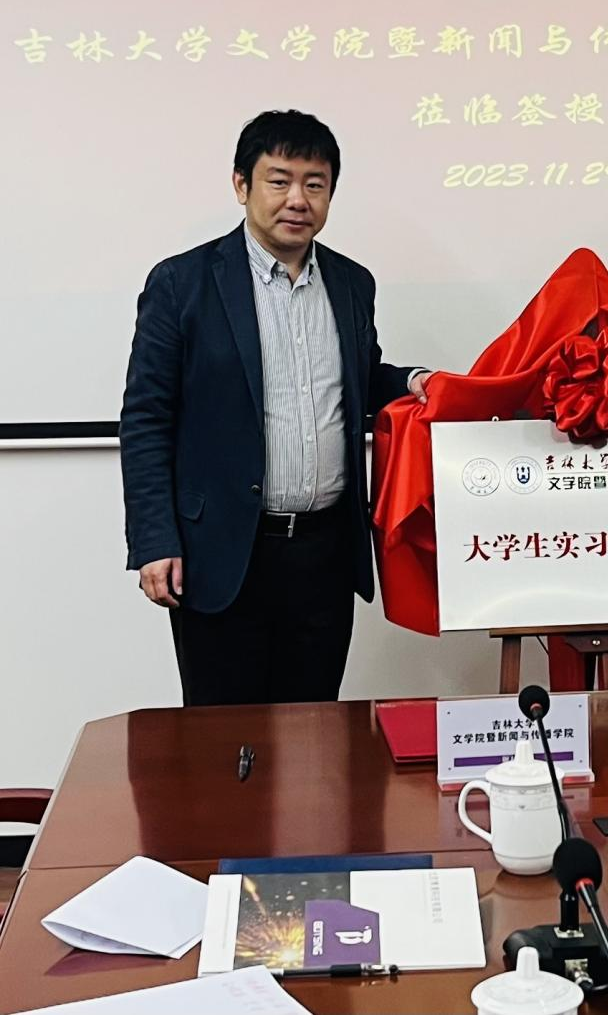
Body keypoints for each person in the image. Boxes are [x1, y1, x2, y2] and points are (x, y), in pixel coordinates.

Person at [120, 109, 432, 705]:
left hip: (324, 556)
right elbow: (146, 419)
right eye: (279, 180)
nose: (298, 200)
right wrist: (154, 539)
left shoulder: (351, 283)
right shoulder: (183, 283)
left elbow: (357, 379)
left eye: (315, 184)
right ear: (242, 185)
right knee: (224, 737)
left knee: (315, 732)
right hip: (222, 555)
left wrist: (412, 381)